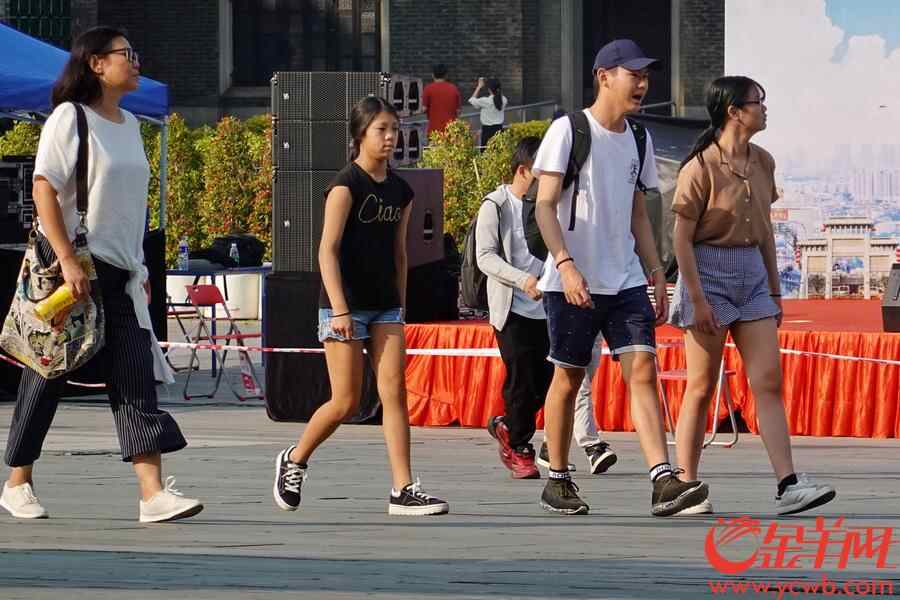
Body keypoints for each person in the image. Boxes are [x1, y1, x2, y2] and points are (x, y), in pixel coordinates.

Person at [0, 27, 202, 523]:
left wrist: (139, 265)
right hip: (75, 268)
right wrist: (67, 259)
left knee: (134, 375)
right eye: (125, 54)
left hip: (123, 272)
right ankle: (18, 481)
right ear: (95, 63)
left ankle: (152, 493)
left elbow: (129, 205)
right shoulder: (70, 117)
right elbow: (45, 188)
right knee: (49, 371)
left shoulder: (131, 123)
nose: (135, 62)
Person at [532, 38, 708, 516]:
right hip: (573, 280)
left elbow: (638, 214)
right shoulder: (568, 130)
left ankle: (663, 479)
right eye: (634, 74)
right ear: (604, 76)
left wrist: (655, 272)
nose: (642, 83)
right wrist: (565, 264)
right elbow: (544, 206)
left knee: (643, 369)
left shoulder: (639, 138)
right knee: (569, 376)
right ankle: (558, 480)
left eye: (645, 75)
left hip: (625, 277)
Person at [272, 96, 449, 517]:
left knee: (394, 393)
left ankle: (403, 488)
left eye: (395, 130)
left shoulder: (402, 190)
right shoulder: (344, 186)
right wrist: (339, 309)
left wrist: (400, 306)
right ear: (360, 134)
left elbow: (400, 253)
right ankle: (294, 459)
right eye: (381, 129)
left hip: (385, 306)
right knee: (346, 401)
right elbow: (327, 251)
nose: (390, 138)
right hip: (344, 307)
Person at [669, 76, 836, 515]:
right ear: (734, 112)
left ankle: (788, 484)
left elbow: (764, 230)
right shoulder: (700, 167)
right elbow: (681, 239)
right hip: (707, 273)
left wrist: (775, 291)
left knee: (768, 380)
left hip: (753, 275)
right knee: (701, 386)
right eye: (757, 102)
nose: (764, 109)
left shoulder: (764, 161)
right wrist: (697, 299)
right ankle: (685, 486)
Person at [422, 63, 461, 136]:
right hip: (451, 130)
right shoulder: (454, 89)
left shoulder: (428, 89)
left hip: (434, 130)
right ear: (446, 75)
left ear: (432, 75)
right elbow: (458, 111)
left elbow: (423, 109)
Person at [469, 77, 507, 148]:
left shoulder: (485, 101)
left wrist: (479, 86)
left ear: (489, 89)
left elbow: (472, 100)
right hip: (499, 129)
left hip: (487, 131)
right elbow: (498, 97)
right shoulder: (504, 99)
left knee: (485, 151)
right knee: (499, 151)